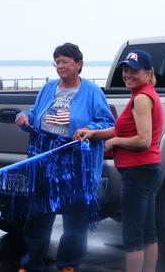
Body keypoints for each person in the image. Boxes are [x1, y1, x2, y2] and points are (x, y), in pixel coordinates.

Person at [15, 42, 114, 272]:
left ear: (78, 65)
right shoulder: (48, 88)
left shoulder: (91, 92)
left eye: (65, 62)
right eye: (57, 62)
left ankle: (68, 263)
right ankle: (32, 261)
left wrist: (89, 130)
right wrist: (24, 116)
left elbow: (108, 124)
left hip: (76, 164)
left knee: (75, 217)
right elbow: (35, 113)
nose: (60, 66)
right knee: (39, 212)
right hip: (44, 161)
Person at [75, 49, 163, 272]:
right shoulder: (144, 93)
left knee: (133, 237)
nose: (127, 74)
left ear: (148, 72)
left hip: (137, 171)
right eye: (125, 69)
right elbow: (122, 128)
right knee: (148, 232)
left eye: (134, 70)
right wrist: (95, 134)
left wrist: (114, 143)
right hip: (147, 169)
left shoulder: (142, 98)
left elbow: (143, 140)